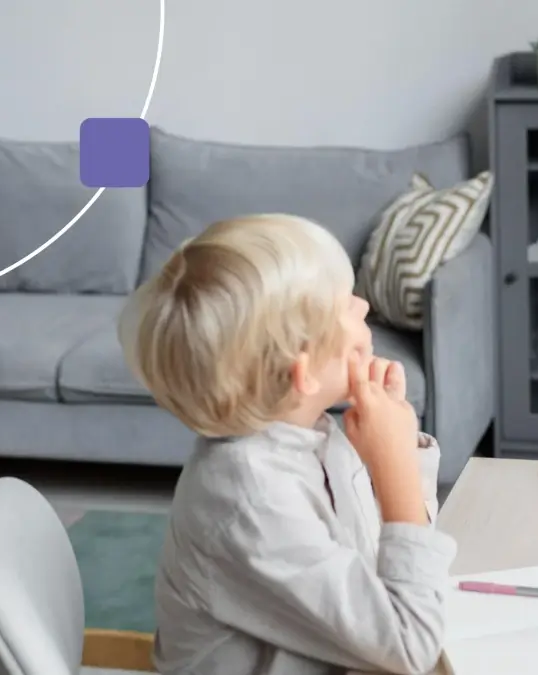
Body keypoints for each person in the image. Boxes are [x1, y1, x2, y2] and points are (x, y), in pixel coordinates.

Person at [118, 213, 456, 675]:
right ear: (304, 374)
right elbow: (410, 645)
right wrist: (394, 465)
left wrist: (394, 455)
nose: (362, 306)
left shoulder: (309, 433)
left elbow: (392, 562)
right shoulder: (251, 500)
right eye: (344, 305)